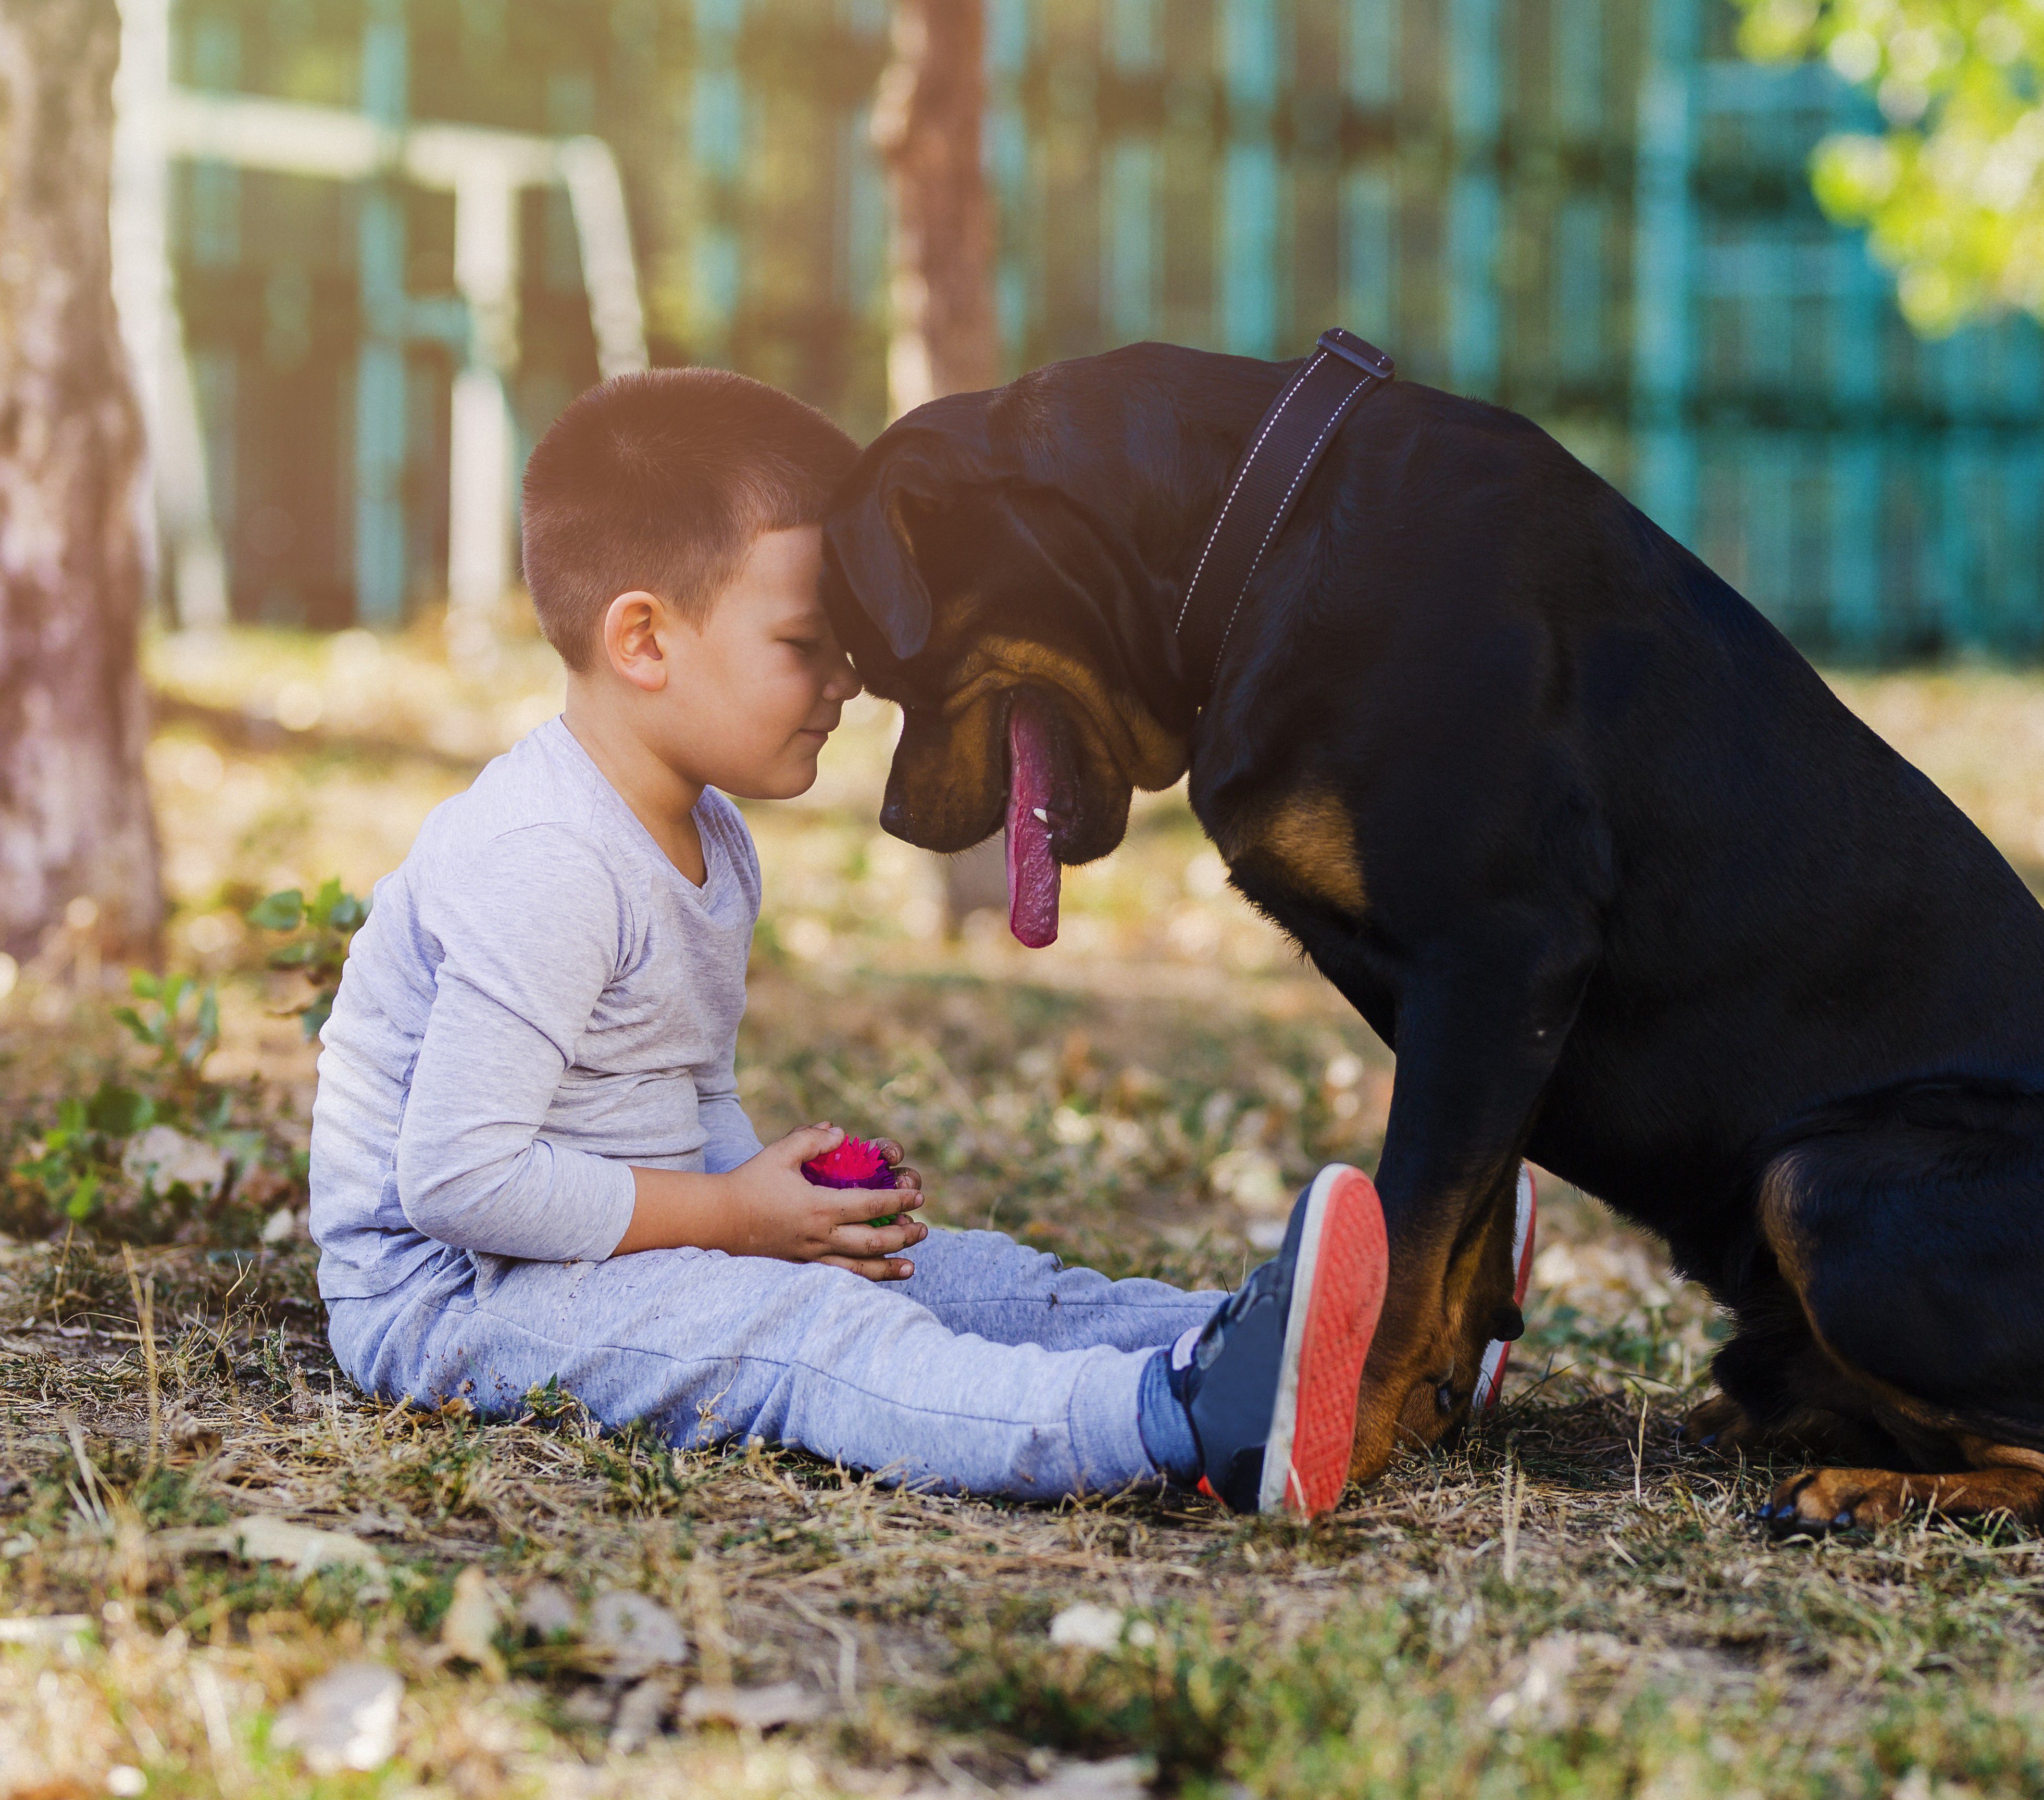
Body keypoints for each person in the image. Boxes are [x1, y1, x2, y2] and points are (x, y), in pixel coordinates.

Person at [306, 367, 1388, 1517]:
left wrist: (789, 1207)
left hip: (589, 1252)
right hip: (456, 1299)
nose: (852, 681)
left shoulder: (708, 834)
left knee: (957, 1275)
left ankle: (1345, 1349)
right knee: (814, 1332)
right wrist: (736, 1222)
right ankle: (1181, 1419)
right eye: (805, 642)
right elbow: (460, 1182)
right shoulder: (546, 857)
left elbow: (679, 1100)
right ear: (643, 639)